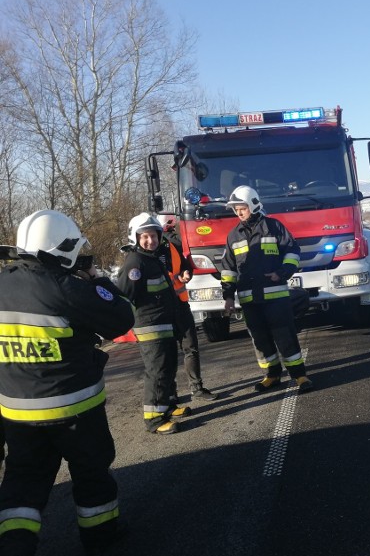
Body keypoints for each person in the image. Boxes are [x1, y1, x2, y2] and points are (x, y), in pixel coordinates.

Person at [0, 210, 134, 556]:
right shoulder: (66, 288)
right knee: (91, 474)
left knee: (23, 482)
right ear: (59, 250)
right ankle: (100, 538)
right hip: (76, 409)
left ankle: (16, 554)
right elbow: (123, 317)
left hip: (16, 414)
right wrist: (98, 280)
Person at [220, 186, 313, 393]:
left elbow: (292, 251)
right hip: (249, 300)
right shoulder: (233, 236)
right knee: (260, 339)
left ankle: (299, 375)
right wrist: (228, 296)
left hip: (276, 298)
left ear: (253, 204)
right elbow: (228, 269)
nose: (238, 212)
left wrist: (282, 272)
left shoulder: (274, 227)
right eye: (235, 209)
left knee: (285, 336)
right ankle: (271, 375)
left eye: (241, 207)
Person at [116, 214, 191, 435]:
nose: (151, 241)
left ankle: (167, 406)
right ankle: (154, 419)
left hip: (164, 324)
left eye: (154, 236)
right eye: (145, 236)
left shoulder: (151, 259)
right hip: (150, 328)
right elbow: (125, 297)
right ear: (136, 237)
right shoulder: (135, 263)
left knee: (167, 368)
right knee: (157, 372)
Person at [156, 215, 218, 402]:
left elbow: (185, 267)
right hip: (161, 310)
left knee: (191, 348)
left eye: (155, 234)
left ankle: (197, 388)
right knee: (167, 354)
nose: (152, 239)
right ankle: (171, 394)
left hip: (181, 305)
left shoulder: (171, 246)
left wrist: (186, 273)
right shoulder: (143, 257)